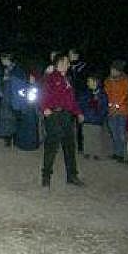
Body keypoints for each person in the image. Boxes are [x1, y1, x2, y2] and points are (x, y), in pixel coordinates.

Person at [40, 54, 85, 187]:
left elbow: (71, 99)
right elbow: (41, 93)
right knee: (51, 147)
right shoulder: (50, 77)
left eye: (68, 63)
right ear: (58, 63)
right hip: (54, 115)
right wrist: (44, 108)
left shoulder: (68, 79)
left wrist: (78, 112)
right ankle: (46, 176)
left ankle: (72, 176)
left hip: (66, 115)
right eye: (65, 62)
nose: (68, 65)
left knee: (70, 146)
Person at [104, 59, 128, 161]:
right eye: (112, 69)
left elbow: (124, 95)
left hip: (122, 111)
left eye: (114, 70)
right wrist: (111, 107)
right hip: (111, 110)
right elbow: (107, 94)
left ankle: (122, 154)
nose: (112, 71)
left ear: (119, 71)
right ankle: (116, 153)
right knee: (114, 133)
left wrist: (116, 106)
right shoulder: (107, 81)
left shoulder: (125, 81)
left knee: (121, 133)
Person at [78, 76, 109, 160]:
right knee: (87, 136)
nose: (87, 83)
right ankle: (87, 151)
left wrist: (100, 117)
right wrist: (80, 114)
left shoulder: (102, 94)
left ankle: (96, 152)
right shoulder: (86, 93)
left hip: (96, 119)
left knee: (96, 136)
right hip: (86, 117)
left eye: (89, 81)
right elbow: (80, 104)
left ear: (95, 82)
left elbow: (104, 107)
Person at [0, 53, 25, 147]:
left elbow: (20, 84)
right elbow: (2, 81)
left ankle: (16, 137)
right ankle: (8, 138)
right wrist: (1, 89)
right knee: (6, 118)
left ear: (7, 59)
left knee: (14, 118)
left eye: (3, 59)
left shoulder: (17, 70)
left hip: (14, 97)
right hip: (6, 96)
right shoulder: (5, 70)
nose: (2, 61)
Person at [68, 49, 88, 154]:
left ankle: (81, 146)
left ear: (76, 55)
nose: (69, 56)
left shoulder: (83, 67)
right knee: (68, 123)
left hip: (80, 99)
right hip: (70, 99)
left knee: (80, 124)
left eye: (70, 55)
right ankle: (69, 145)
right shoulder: (68, 67)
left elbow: (85, 84)